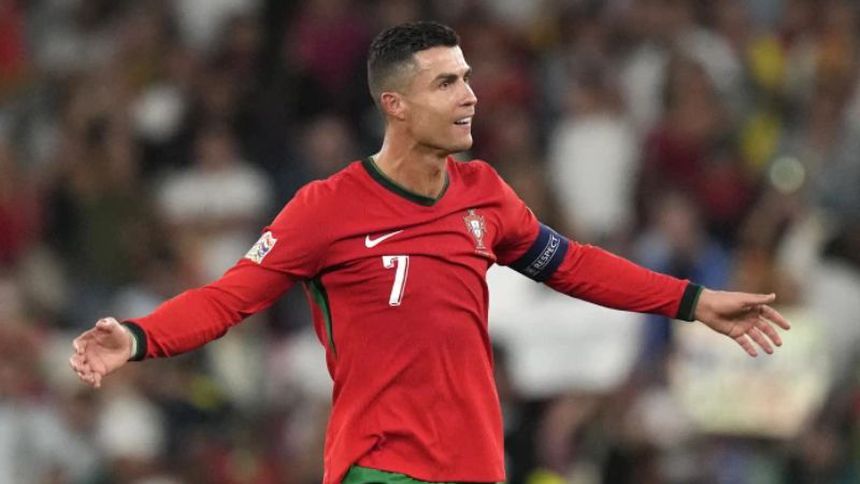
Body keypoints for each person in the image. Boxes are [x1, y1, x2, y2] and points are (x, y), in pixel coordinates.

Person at [70, 21, 791, 484]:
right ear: (396, 104)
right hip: (381, 468)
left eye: (467, 77)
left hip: (477, 467)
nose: (470, 95)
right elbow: (229, 297)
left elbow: (573, 265)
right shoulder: (327, 208)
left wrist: (692, 301)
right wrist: (138, 336)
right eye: (447, 83)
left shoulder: (485, 195)